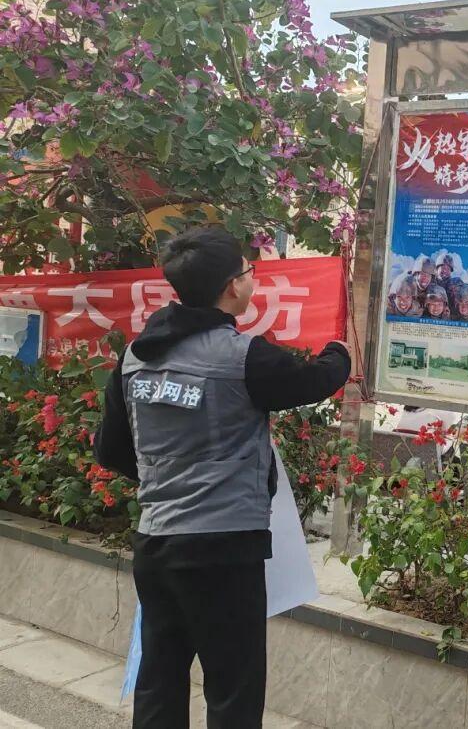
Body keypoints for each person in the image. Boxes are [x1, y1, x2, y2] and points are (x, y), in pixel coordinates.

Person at [93, 227, 351, 729]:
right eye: (249, 273)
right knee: (233, 690)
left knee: (160, 678)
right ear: (234, 286)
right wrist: (339, 352)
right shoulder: (244, 356)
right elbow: (313, 380)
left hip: (157, 544)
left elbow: (111, 449)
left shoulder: (134, 358)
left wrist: (166, 479)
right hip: (225, 550)